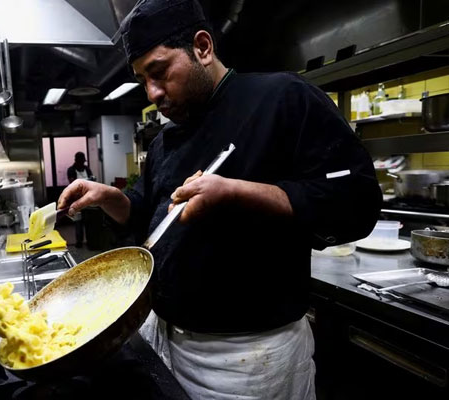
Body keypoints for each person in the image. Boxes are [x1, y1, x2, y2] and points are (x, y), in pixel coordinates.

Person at [57, 0, 382, 399]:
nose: (153, 93)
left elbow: (356, 202)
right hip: (165, 337)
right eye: (143, 80)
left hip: (246, 358)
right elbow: (151, 221)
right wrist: (111, 198)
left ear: (203, 47)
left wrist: (236, 191)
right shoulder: (165, 141)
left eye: (159, 72)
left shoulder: (283, 99)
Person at [66, 152, 94, 247]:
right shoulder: (71, 170)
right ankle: (79, 242)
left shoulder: (87, 169)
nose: (82, 163)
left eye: (83, 161)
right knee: (78, 221)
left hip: (88, 199)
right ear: (76, 161)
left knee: (88, 221)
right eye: (81, 161)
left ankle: (90, 241)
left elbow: (93, 181)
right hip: (76, 199)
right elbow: (72, 184)